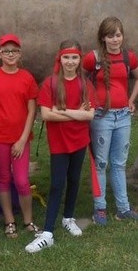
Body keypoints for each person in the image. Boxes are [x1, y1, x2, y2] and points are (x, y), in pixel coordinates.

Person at [26, 40, 96, 253]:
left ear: (79, 59)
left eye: (74, 57)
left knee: (74, 180)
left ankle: (68, 218)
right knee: (57, 183)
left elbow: (90, 115)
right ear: (60, 58)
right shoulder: (51, 83)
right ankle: (47, 232)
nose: (70, 62)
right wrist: (77, 114)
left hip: (80, 140)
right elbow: (46, 114)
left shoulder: (86, 84)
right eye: (67, 57)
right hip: (59, 143)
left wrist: (63, 111)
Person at [82, 16, 138, 225]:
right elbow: (78, 78)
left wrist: (131, 99)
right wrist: (86, 101)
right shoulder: (93, 58)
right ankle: (99, 208)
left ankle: (123, 209)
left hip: (123, 116)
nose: (115, 40)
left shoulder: (129, 57)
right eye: (110, 36)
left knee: (119, 164)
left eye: (118, 35)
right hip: (101, 116)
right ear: (103, 37)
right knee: (100, 163)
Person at [0, 34, 40, 238]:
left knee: (22, 180)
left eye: (14, 51)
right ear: (0, 54)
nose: (10, 54)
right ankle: (9, 220)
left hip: (20, 138)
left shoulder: (27, 78)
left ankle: (28, 220)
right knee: (3, 178)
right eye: (6, 51)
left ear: (20, 54)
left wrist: (23, 139)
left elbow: (32, 111)